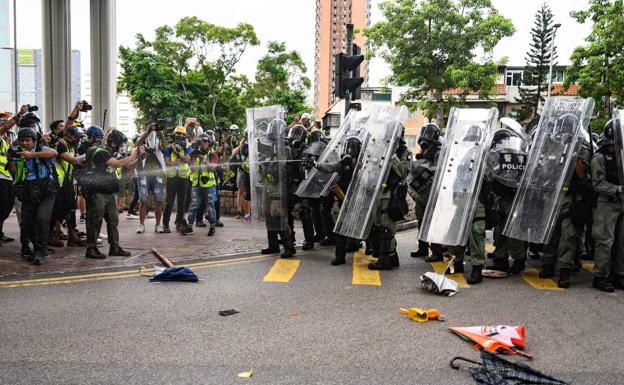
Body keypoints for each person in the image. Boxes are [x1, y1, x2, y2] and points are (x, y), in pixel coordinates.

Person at [83, 129, 138, 259]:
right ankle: (91, 249)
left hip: (109, 191)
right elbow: (118, 163)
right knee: (95, 221)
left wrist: (137, 158)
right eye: (120, 144)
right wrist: (133, 154)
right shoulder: (100, 152)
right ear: (113, 144)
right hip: (97, 192)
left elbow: (124, 165)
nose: (122, 147)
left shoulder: (110, 152)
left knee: (113, 220)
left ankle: (115, 247)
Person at [10, 126, 57, 265]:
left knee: (42, 219)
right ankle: (27, 248)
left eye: (28, 140)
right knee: (26, 221)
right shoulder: (17, 152)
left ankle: (40, 251)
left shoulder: (41, 150)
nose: (25, 143)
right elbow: (12, 171)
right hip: (28, 191)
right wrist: (12, 158)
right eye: (22, 140)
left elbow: (54, 153)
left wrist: (31, 155)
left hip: (46, 191)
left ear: (34, 141)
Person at [368, 124, 411, 270]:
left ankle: (384, 261)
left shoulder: (403, 151)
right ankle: (392, 258)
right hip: (378, 193)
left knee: (387, 229)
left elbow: (403, 172)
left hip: (392, 194)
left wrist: (392, 155)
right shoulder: (381, 148)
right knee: (379, 228)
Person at [313, 136, 361, 265]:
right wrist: (316, 165)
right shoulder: (343, 163)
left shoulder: (364, 165)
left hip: (359, 202)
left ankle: (373, 249)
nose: (349, 154)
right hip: (344, 200)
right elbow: (329, 167)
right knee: (340, 228)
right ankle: (340, 256)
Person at [589, 119, 624, 292]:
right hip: (606, 203)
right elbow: (598, 183)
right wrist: (617, 189)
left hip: (621, 203)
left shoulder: (622, 155)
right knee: (605, 242)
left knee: (621, 241)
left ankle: (619, 275)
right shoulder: (600, 156)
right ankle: (600, 276)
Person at [409, 123, 445, 261]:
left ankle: (437, 251)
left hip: (433, 193)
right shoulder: (424, 151)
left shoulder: (438, 152)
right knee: (422, 220)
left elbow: (437, 170)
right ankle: (422, 248)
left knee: (432, 222)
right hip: (422, 193)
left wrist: (422, 165)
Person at [48, 125, 86, 248]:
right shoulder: (60, 144)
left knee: (70, 208)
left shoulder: (70, 146)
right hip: (57, 183)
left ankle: (72, 235)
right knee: (56, 210)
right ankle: (49, 235)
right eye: (77, 138)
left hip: (66, 182)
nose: (78, 141)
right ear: (69, 135)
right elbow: (72, 160)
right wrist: (88, 154)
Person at [286, 125, 316, 250]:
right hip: (291, 185)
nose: (293, 137)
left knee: (305, 213)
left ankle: (309, 240)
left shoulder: (307, 150)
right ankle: (289, 239)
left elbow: (310, 168)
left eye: (296, 134)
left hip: (303, 185)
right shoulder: (289, 149)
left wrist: (308, 164)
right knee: (287, 212)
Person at [136, 123, 167, 234]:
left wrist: (160, 134)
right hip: (144, 175)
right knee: (143, 200)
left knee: (159, 200)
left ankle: (158, 225)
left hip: (157, 175)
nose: (153, 131)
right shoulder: (142, 143)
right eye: (151, 130)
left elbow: (165, 147)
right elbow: (139, 143)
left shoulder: (158, 142)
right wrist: (148, 130)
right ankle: (141, 225)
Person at [187, 132, 219, 236]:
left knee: (210, 206)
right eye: (201, 141)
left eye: (206, 141)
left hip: (209, 185)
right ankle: (189, 227)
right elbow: (191, 169)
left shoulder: (212, 155)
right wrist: (194, 156)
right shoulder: (194, 154)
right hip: (196, 184)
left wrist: (203, 159)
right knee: (193, 205)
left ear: (209, 143)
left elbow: (212, 167)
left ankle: (212, 227)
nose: (203, 143)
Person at [162, 126, 192, 233]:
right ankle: (165, 224)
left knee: (181, 203)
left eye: (182, 135)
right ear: (174, 136)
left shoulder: (187, 146)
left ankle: (179, 223)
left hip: (183, 178)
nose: (179, 137)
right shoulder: (168, 148)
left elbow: (188, 160)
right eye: (177, 135)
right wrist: (179, 160)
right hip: (172, 178)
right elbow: (167, 163)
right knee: (169, 202)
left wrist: (177, 153)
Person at [231, 135, 251, 220]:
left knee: (249, 192)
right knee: (240, 190)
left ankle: (248, 213)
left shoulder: (253, 144)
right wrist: (240, 144)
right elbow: (233, 153)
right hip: (241, 169)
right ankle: (239, 212)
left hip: (250, 170)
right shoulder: (242, 144)